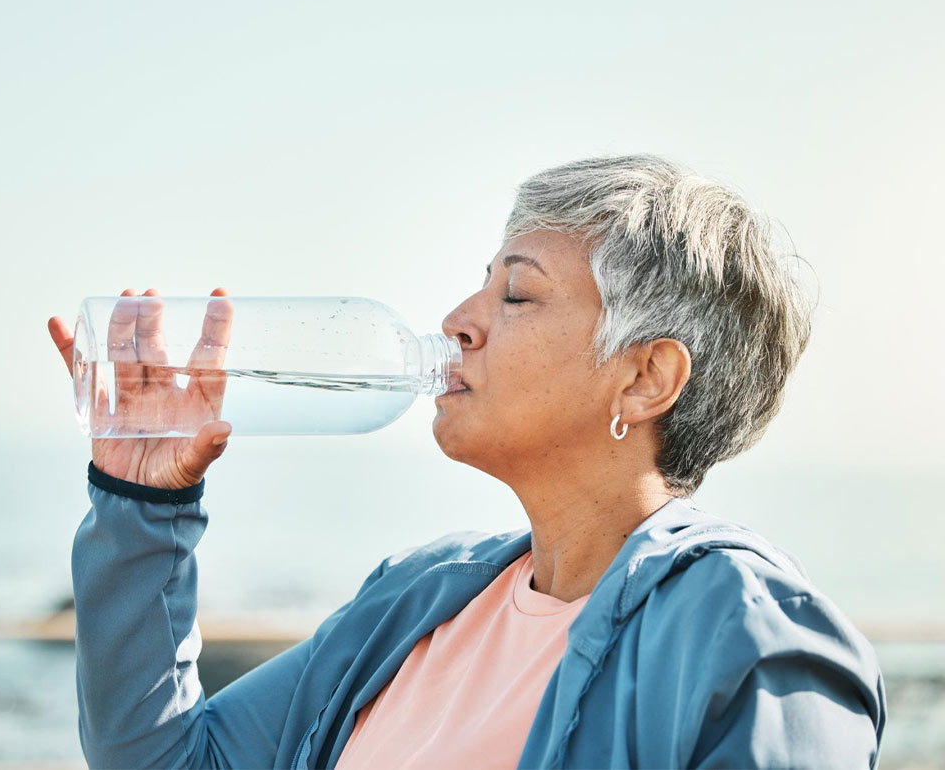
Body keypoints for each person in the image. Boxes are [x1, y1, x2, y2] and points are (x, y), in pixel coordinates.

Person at [47, 155, 886, 769]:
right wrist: (141, 502)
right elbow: (159, 760)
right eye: (481, 285)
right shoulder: (418, 599)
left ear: (644, 377)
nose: (456, 319)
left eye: (515, 294)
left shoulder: (752, 636)